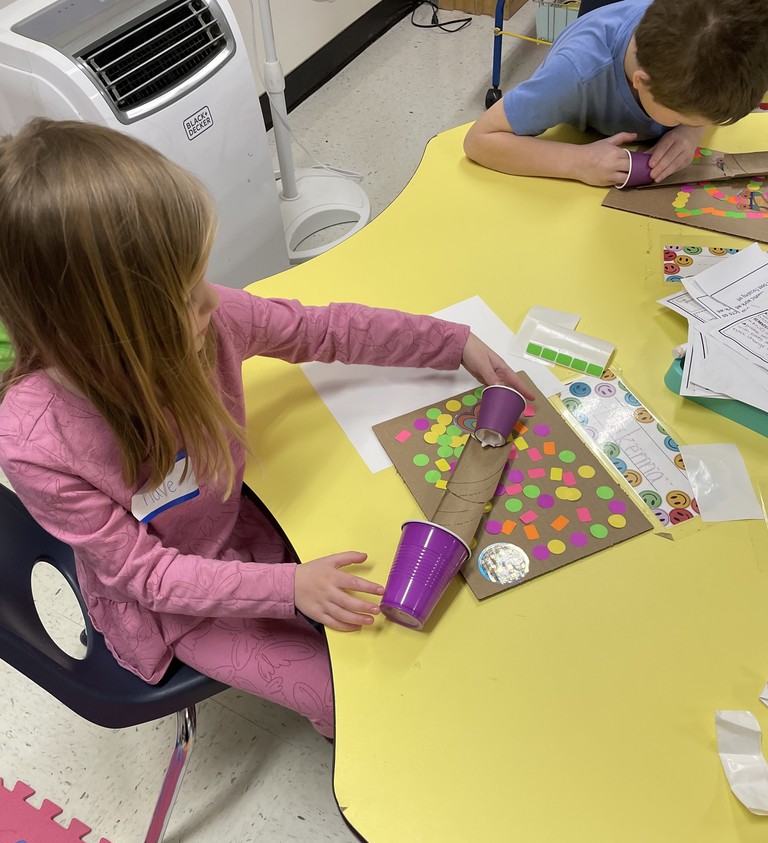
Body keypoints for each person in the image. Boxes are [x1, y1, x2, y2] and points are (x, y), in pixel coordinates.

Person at [0, 118, 534, 740]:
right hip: (174, 608)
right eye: (183, 295)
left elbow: (323, 330)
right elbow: (149, 575)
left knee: (413, 628)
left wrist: (452, 341)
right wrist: (289, 588)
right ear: (103, 333)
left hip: (245, 527)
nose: (212, 300)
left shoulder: (210, 319)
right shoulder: (38, 442)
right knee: (362, 705)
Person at [464, 0, 768, 188]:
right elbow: (480, 139)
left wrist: (692, 131)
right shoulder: (575, 74)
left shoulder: (702, 34)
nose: (686, 122)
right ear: (641, 82)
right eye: (680, 117)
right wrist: (577, 162)